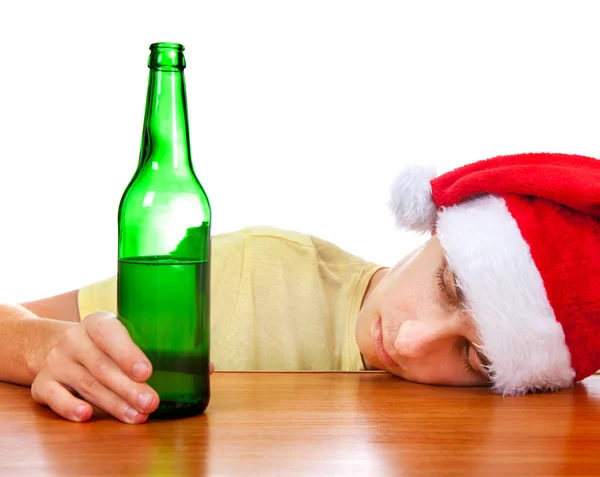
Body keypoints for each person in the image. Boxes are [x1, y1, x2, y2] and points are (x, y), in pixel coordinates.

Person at [0, 152, 598, 425]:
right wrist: (42, 346)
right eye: (448, 285)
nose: (413, 342)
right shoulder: (259, 268)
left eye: (476, 357)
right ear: (437, 223)